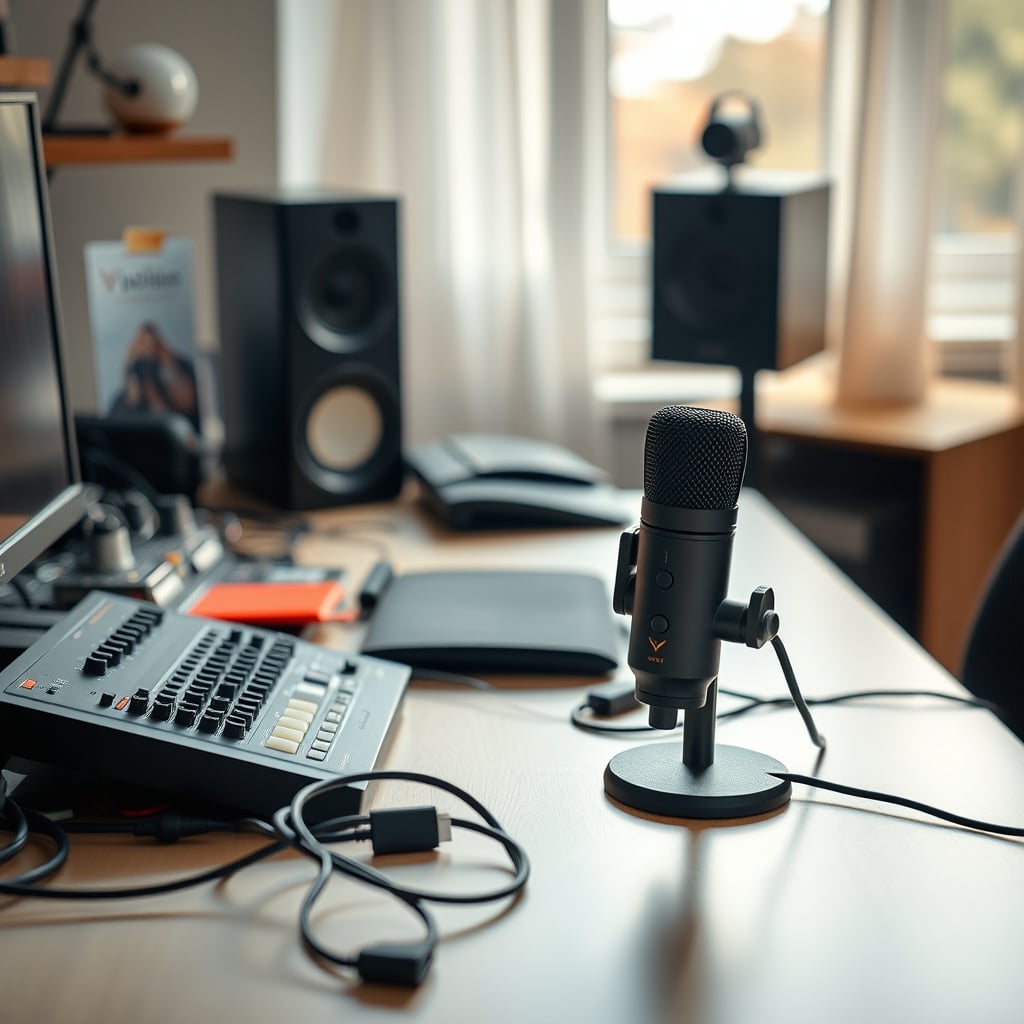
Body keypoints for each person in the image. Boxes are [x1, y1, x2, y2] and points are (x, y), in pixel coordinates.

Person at [109, 321, 200, 431]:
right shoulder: (133, 377)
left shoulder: (177, 366)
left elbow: (187, 404)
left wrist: (168, 364)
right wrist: (131, 364)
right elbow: (131, 400)